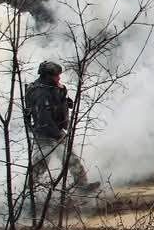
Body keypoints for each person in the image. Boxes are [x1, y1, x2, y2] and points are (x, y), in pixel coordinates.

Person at [24, 61, 99, 194]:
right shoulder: (40, 93)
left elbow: (59, 103)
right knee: (40, 165)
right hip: (45, 134)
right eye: (56, 75)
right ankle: (28, 195)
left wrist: (65, 101)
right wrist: (58, 134)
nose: (59, 78)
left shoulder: (52, 87)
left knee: (71, 158)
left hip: (56, 131)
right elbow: (43, 119)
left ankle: (82, 185)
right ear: (47, 76)